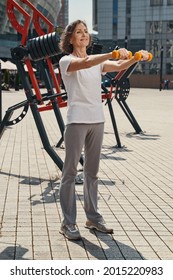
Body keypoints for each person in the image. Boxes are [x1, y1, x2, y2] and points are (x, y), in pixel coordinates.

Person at [59, 19, 150, 240]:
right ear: (70, 38)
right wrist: (113, 53)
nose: (83, 35)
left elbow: (118, 67)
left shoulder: (97, 62)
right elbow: (87, 63)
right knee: (70, 174)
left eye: (86, 32)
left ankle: (93, 218)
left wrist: (136, 57)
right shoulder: (66, 61)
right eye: (78, 32)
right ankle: (68, 223)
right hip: (76, 122)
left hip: (97, 121)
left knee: (92, 173)